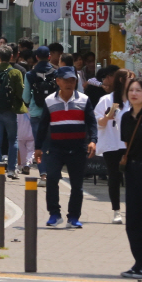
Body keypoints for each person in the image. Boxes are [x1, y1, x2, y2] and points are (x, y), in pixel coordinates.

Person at [34, 66, 97, 229]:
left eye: (73, 80)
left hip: (78, 149)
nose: (70, 83)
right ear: (58, 81)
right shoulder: (49, 101)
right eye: (66, 80)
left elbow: (91, 122)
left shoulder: (84, 99)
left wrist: (93, 140)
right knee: (52, 178)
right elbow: (42, 126)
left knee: (77, 185)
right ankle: (54, 214)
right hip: (56, 148)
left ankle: (74, 216)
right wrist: (38, 147)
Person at [120, 79, 142, 279]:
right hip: (132, 170)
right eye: (131, 90)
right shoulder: (125, 117)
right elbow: (126, 144)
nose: (134, 93)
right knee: (133, 218)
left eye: (138, 90)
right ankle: (139, 262)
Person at [95, 69, 134, 224]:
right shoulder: (106, 99)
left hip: (131, 145)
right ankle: (116, 211)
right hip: (112, 144)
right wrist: (106, 117)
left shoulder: (135, 99)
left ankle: (133, 210)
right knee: (114, 177)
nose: (133, 81)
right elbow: (97, 122)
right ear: (121, 81)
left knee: (133, 178)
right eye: (130, 78)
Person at [0, 46, 25, 179]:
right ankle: (11, 170)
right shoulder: (15, 73)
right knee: (13, 140)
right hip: (10, 110)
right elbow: (21, 92)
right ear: (12, 57)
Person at [23, 46, 56, 186]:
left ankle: (43, 175)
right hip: (54, 112)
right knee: (53, 145)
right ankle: (54, 173)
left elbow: (25, 97)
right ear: (49, 57)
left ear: (36, 57)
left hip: (36, 113)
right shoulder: (56, 72)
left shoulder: (30, 74)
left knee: (40, 145)